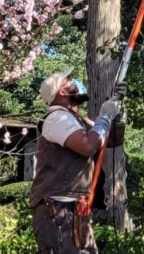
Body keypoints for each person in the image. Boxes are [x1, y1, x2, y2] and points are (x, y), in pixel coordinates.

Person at [29, 71, 126, 254]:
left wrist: (118, 116)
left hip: (75, 209)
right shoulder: (56, 117)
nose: (76, 82)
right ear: (62, 92)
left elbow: (111, 140)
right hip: (57, 210)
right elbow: (89, 145)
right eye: (69, 80)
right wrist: (105, 116)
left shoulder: (77, 120)